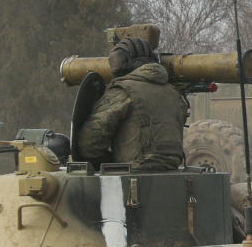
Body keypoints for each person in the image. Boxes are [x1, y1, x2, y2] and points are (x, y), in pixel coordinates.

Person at [78, 37, 188, 170]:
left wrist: (109, 162)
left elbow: (89, 143)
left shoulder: (123, 91)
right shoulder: (174, 93)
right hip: (172, 172)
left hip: (132, 175)